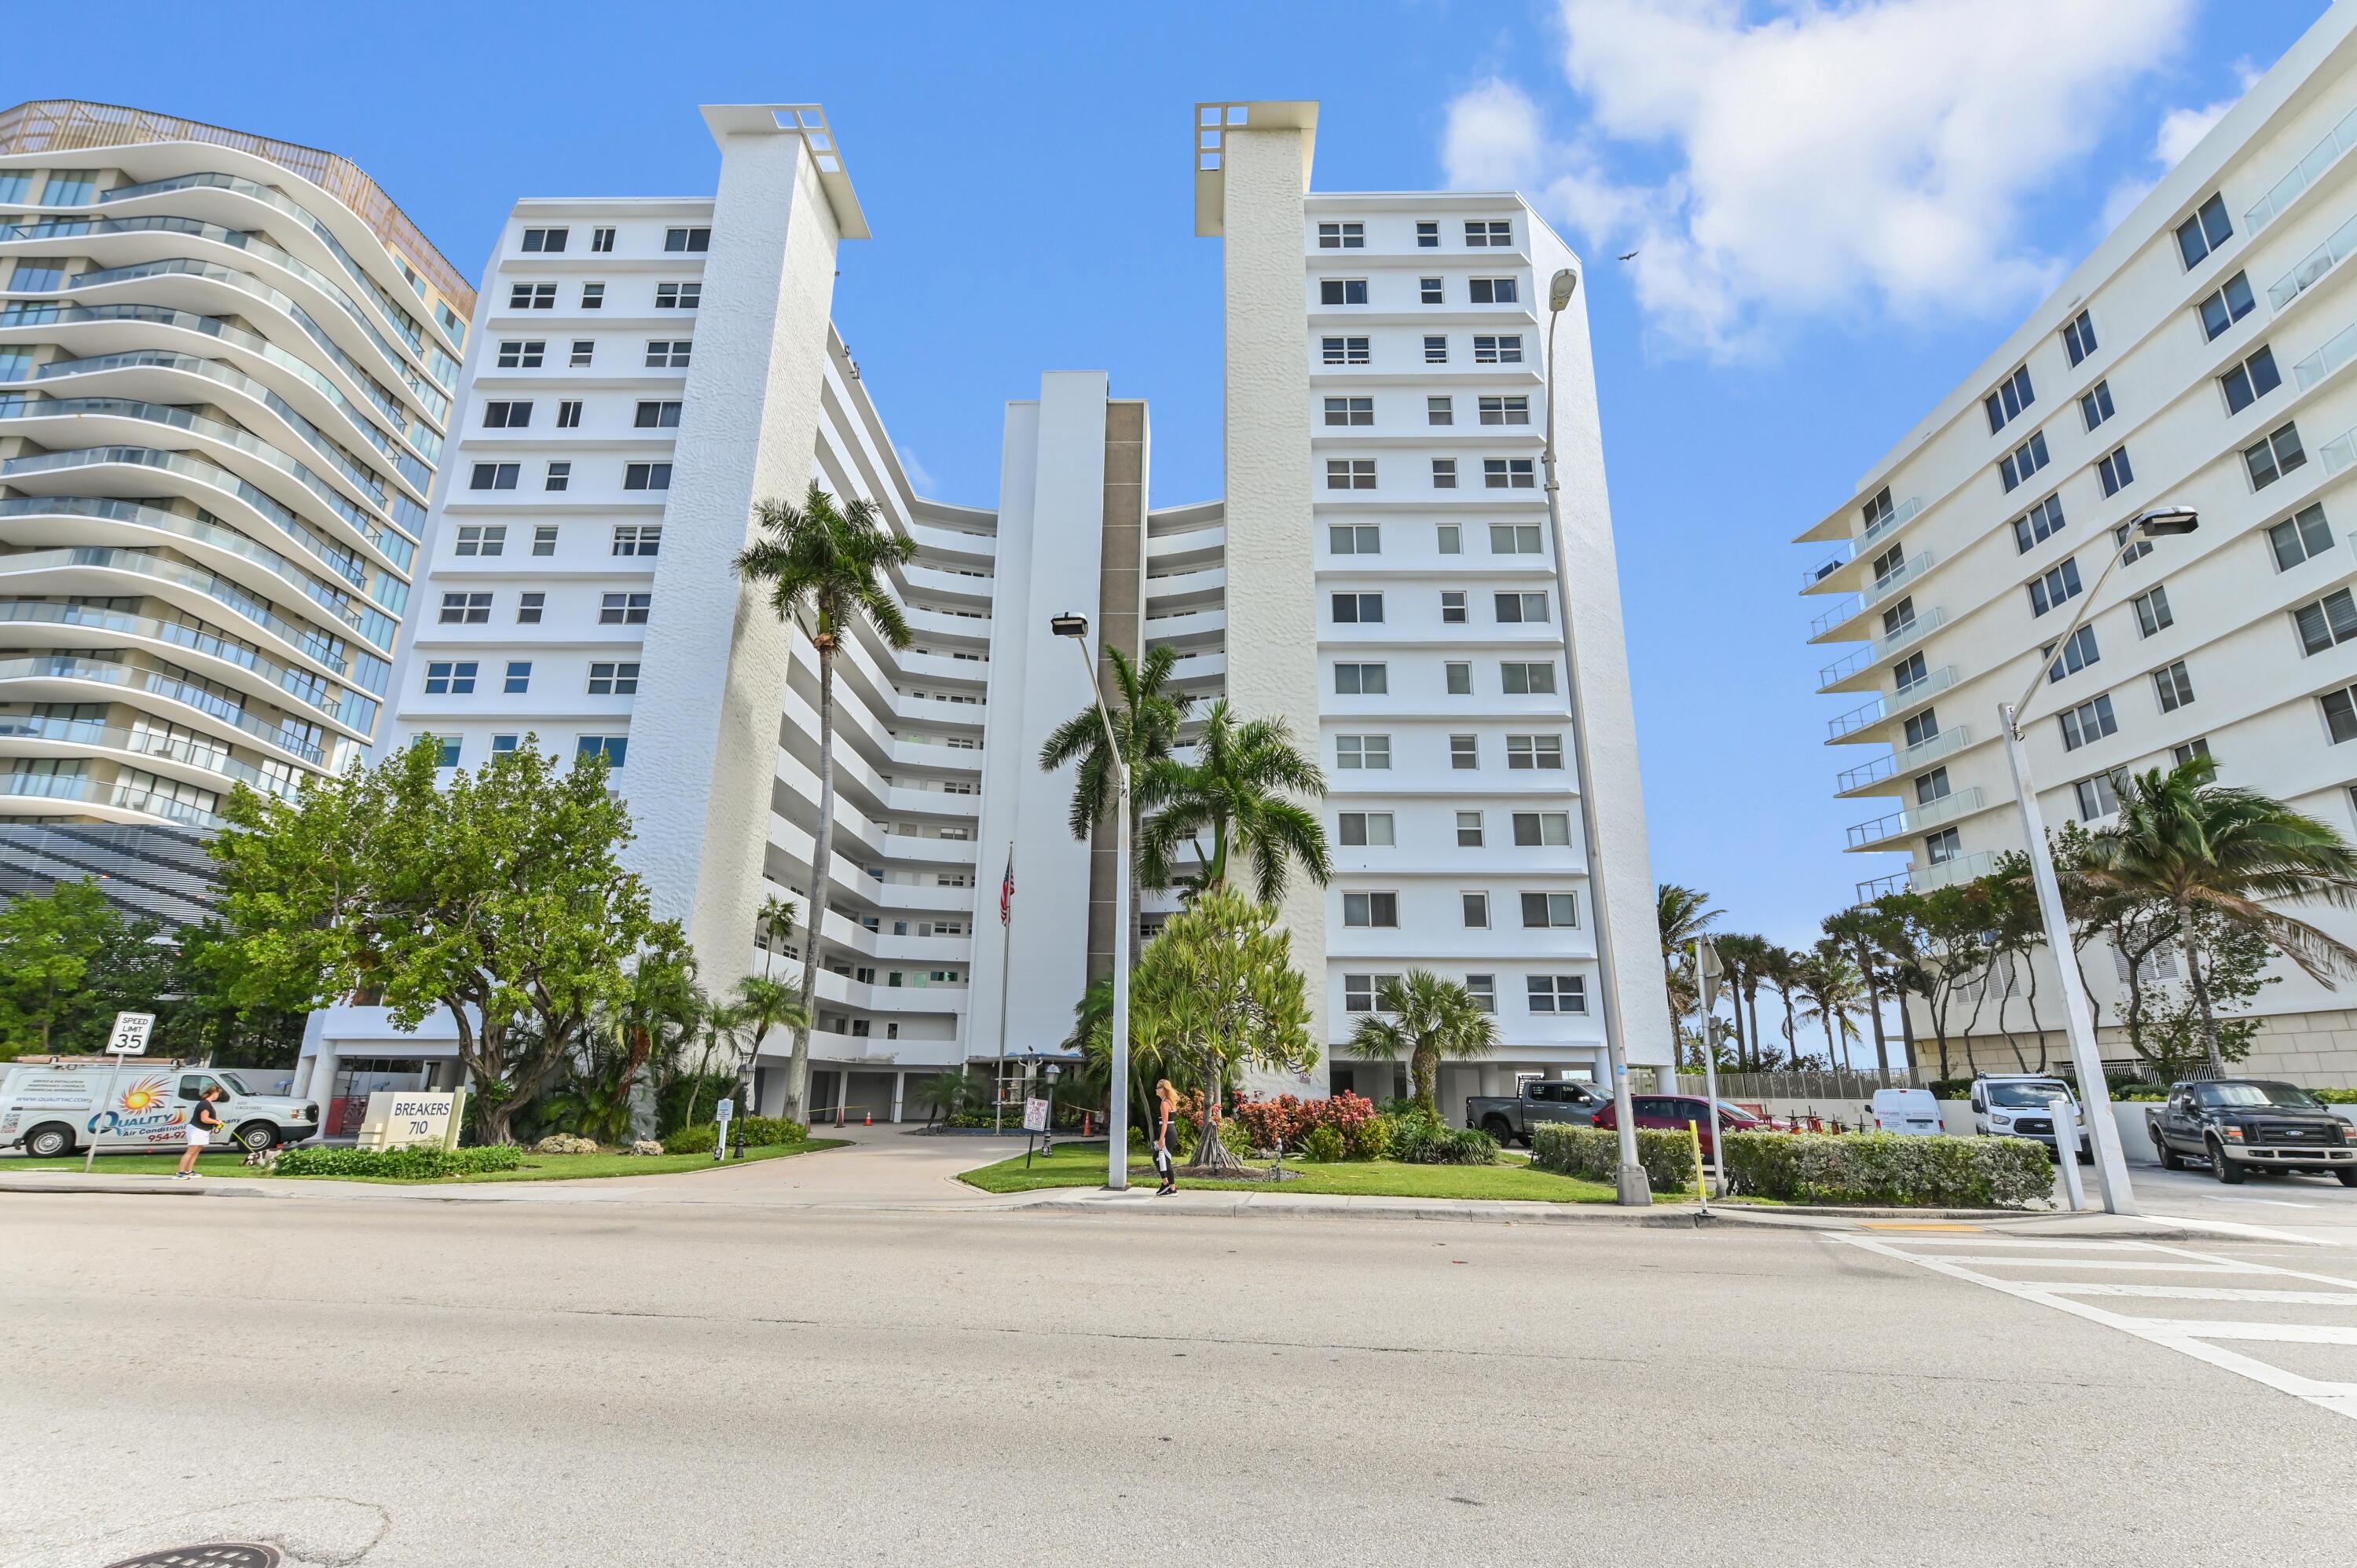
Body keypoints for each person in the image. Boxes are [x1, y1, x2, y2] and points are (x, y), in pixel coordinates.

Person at [177, 1084, 225, 1180]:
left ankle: (189, 1171)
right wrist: (216, 1122)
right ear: (214, 1093)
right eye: (218, 1093)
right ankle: (180, 1172)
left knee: (196, 1152)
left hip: (203, 1130)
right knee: (191, 1151)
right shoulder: (205, 1104)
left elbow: (207, 1119)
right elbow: (204, 1119)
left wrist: (215, 1122)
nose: (218, 1096)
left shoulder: (207, 1104)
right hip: (196, 1129)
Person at [1151, 1079, 1179, 1196]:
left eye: (1158, 1088)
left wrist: (1161, 1139)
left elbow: (1165, 1123)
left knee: (1166, 1161)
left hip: (1168, 1133)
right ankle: (1165, 1183)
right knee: (1156, 1157)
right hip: (1169, 1132)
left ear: (1163, 1089)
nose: (1156, 1090)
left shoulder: (1165, 1104)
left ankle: (1172, 1189)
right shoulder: (1167, 1101)